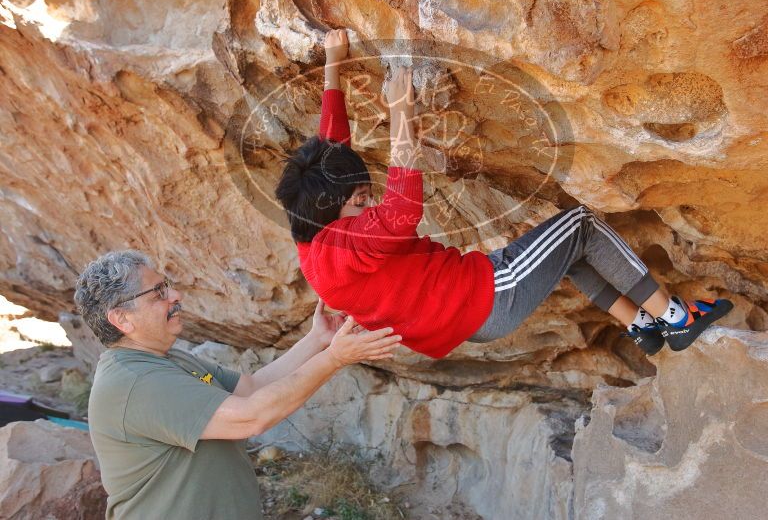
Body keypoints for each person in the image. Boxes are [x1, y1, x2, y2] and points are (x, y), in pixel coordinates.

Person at [275, 29, 733, 359]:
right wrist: (401, 116)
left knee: (570, 255)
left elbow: (330, 147)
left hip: (463, 319)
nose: (366, 201)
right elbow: (401, 212)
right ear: (333, 207)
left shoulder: (312, 232)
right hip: (490, 294)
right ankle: (676, 317)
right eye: (358, 199)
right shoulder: (345, 246)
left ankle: (641, 327)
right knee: (582, 225)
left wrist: (334, 67)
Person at [74, 250, 400, 520]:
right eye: (158, 292)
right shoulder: (138, 383)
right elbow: (251, 416)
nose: (175, 296)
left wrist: (318, 340)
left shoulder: (168, 360)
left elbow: (251, 387)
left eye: (167, 285)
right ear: (122, 319)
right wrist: (335, 359)